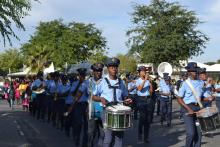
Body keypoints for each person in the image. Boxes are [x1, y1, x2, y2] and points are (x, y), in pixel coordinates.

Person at [92, 57, 132, 147]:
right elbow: (93, 96)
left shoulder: (121, 82)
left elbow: (125, 95)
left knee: (119, 137)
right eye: (111, 67)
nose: (114, 69)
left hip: (120, 111)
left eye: (115, 67)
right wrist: (101, 99)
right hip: (106, 111)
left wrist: (127, 99)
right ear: (108, 69)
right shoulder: (102, 82)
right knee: (108, 138)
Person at [177, 62, 204, 147]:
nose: (195, 72)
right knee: (191, 133)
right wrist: (188, 109)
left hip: (198, 108)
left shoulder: (201, 82)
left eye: (196, 70)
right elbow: (179, 98)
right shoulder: (185, 83)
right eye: (193, 71)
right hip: (187, 109)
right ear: (188, 72)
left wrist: (209, 98)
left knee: (199, 134)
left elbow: (201, 97)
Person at [88, 62, 104, 147]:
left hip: (102, 111)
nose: (99, 72)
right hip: (92, 111)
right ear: (93, 71)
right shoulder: (89, 82)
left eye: (100, 70)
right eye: (96, 70)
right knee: (91, 134)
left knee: (103, 134)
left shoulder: (105, 82)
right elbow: (90, 95)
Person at [136, 66, 153, 143]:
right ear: (139, 72)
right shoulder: (138, 80)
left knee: (148, 120)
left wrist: (150, 83)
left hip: (148, 99)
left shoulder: (148, 81)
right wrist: (145, 80)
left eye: (144, 71)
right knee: (142, 118)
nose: (144, 73)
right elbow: (139, 89)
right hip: (141, 100)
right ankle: (140, 136)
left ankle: (146, 137)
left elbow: (151, 92)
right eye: (142, 71)